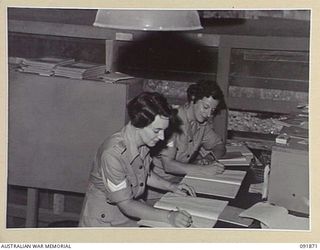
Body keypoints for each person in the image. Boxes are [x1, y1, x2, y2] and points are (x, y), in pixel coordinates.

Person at [78, 92, 196, 227]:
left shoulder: (142, 142)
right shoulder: (112, 154)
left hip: (129, 212)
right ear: (139, 124)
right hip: (104, 220)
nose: (162, 137)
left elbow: (142, 173)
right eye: (157, 130)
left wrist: (171, 187)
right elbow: (126, 204)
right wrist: (169, 216)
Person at [151, 80, 227, 183]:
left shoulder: (202, 124)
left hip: (182, 182)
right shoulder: (172, 121)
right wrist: (204, 170)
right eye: (205, 107)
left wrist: (209, 158)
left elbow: (219, 145)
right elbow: (168, 165)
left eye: (212, 110)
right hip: (159, 187)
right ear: (193, 99)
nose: (208, 114)